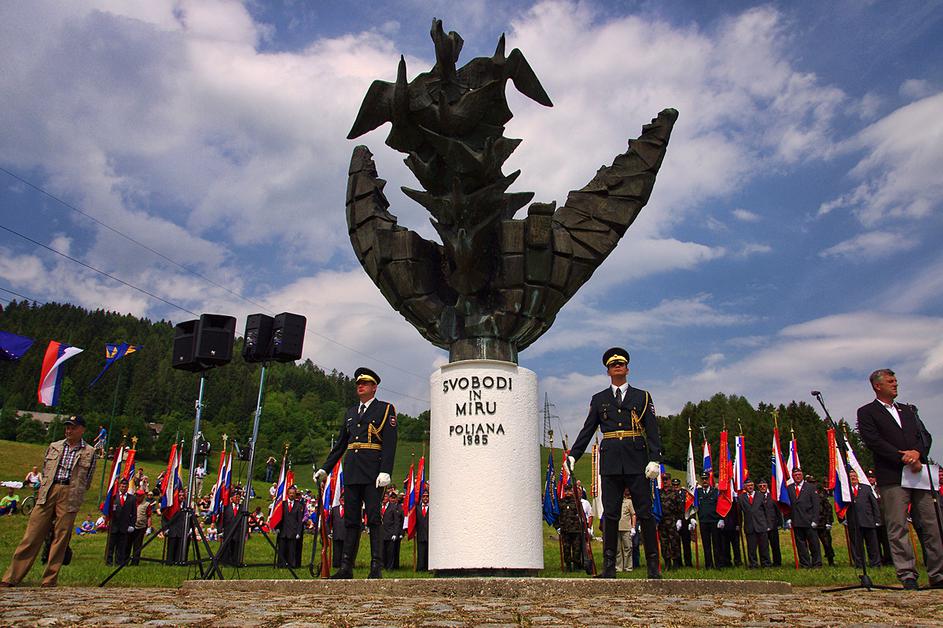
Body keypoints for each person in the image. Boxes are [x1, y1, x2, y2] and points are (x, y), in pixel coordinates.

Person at [567, 347, 663, 579]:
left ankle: (653, 566)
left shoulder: (642, 397)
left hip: (636, 459)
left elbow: (652, 429)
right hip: (610, 461)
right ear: (608, 371)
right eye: (613, 365)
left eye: (621, 364)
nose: (617, 367)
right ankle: (609, 567)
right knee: (610, 514)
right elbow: (588, 429)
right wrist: (574, 455)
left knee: (645, 512)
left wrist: (655, 459)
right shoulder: (599, 399)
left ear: (627, 369)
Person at [856, 368, 943, 589]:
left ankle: (938, 573)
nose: (895, 384)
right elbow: (873, 441)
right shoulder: (867, 412)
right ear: (877, 385)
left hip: (919, 473)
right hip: (893, 474)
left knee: (932, 523)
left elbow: (925, 436)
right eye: (890, 381)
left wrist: (917, 453)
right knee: (898, 526)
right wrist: (903, 457)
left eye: (895, 380)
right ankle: (907, 575)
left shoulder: (909, 410)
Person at [315, 367, 398, 579]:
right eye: (358, 384)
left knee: (374, 519)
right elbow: (341, 444)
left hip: (373, 472)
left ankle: (376, 566)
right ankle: (346, 567)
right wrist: (326, 468)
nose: (360, 386)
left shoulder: (385, 409)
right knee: (351, 520)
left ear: (374, 387)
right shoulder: (351, 412)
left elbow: (390, 443)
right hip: (352, 471)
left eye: (365, 383)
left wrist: (385, 471)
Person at [1, 415, 98, 587]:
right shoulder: (55, 446)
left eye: (73, 427)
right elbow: (45, 470)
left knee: (61, 537)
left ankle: (49, 579)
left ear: (82, 430)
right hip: (49, 490)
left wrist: (77, 493)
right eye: (67, 427)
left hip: (70, 493)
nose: (69, 430)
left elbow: (88, 479)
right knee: (32, 533)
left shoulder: (89, 452)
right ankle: (11, 577)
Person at [846, 470, 882, 568]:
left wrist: (877, 519)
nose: (853, 478)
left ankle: (875, 563)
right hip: (854, 521)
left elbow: (874, 504)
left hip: (868, 520)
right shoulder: (845, 490)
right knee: (857, 545)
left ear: (858, 477)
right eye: (851, 476)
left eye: (854, 476)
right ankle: (859, 564)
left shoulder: (866, 488)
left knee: (872, 544)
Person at [786, 468, 821, 568]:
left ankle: (817, 563)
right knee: (801, 545)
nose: (797, 476)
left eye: (799, 474)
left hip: (809, 521)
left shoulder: (810, 487)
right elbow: (787, 505)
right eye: (795, 475)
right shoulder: (789, 488)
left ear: (802, 475)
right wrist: (788, 518)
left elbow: (816, 505)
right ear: (793, 476)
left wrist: (815, 520)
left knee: (814, 544)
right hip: (797, 521)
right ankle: (805, 564)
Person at [738, 479, 771, 568]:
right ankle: (753, 564)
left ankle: (766, 563)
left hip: (761, 525)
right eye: (748, 485)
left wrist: (768, 524)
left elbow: (766, 511)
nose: (750, 487)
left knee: (764, 547)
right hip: (749, 526)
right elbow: (739, 513)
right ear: (745, 487)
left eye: (752, 485)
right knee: (751, 547)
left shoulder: (760, 495)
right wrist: (739, 525)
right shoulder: (741, 498)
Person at [105, 478, 136, 566]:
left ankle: (119, 562)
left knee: (121, 546)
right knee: (111, 546)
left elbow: (134, 513)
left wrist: (132, 525)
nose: (123, 487)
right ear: (119, 486)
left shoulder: (132, 498)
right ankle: (109, 562)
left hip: (124, 526)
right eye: (122, 486)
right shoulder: (114, 497)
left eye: (125, 486)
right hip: (113, 525)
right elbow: (108, 510)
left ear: (127, 487)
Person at [695, 473, 722, 569]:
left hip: (714, 521)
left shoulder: (715, 492)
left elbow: (720, 506)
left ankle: (718, 564)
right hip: (703, 521)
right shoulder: (698, 492)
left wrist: (721, 519)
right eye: (703, 479)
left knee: (716, 544)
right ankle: (708, 565)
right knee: (706, 545)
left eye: (706, 479)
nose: (704, 481)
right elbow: (694, 505)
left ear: (709, 480)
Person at [276, 486, 304, 568]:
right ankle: (281, 564)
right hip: (283, 530)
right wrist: (277, 527)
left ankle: (291, 565)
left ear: (295, 495)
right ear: (287, 494)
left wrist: (298, 532)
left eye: (293, 493)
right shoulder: (282, 504)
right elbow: (278, 517)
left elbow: (300, 521)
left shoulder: (299, 505)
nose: (291, 495)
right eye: (290, 493)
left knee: (292, 550)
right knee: (282, 549)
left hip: (293, 531)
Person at [557, 485, 583, 572]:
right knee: (566, 549)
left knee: (577, 549)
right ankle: (568, 566)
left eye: (569, 491)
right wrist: (558, 527)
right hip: (565, 530)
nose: (568, 493)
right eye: (566, 491)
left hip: (575, 529)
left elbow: (581, 515)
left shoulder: (577, 502)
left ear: (572, 491)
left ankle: (576, 565)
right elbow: (558, 515)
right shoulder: (561, 502)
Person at [659, 478, 683, 570]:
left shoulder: (675, 493)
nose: (665, 482)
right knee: (664, 543)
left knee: (674, 542)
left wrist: (679, 519)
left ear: (669, 481)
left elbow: (680, 507)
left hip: (672, 520)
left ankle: (676, 562)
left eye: (667, 480)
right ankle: (667, 562)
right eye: (663, 480)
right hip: (662, 521)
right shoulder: (659, 493)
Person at [757, 479, 783, 566]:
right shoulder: (756, 497)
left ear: (767, 486)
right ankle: (765, 562)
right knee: (763, 546)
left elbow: (778, 511)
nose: (762, 487)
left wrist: (780, 523)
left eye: (764, 485)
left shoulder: (772, 497)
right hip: (762, 525)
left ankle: (777, 562)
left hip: (773, 525)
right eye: (760, 486)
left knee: (775, 545)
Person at [812, 478, 835, 566]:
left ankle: (831, 560)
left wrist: (829, 522)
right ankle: (816, 561)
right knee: (813, 545)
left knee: (827, 543)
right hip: (812, 523)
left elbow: (828, 509)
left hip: (823, 523)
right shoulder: (808, 497)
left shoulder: (822, 497)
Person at [220, 490, 246, 566]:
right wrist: (220, 529)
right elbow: (222, 519)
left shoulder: (242, 508)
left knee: (236, 547)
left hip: (237, 531)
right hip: (228, 530)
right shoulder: (226, 507)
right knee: (226, 546)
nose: (238, 499)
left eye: (239, 497)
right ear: (232, 498)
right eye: (236, 497)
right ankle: (225, 561)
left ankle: (235, 561)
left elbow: (244, 521)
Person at [381, 491, 404, 570]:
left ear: (388, 498)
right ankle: (382, 566)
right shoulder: (379, 506)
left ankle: (390, 567)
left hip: (390, 532)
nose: (384, 498)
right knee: (382, 551)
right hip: (381, 532)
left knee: (390, 552)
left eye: (385, 497)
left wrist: (395, 533)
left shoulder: (393, 507)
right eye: (383, 497)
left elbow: (396, 521)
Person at [129, 490, 151, 566]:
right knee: (128, 544)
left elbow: (149, 516)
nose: (138, 497)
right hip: (131, 527)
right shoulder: (132, 503)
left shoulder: (147, 504)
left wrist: (149, 527)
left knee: (137, 546)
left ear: (143, 496)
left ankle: (135, 562)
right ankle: (125, 560)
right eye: (137, 495)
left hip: (141, 527)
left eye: (139, 496)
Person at [616, 489, 635, 572]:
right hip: (616, 527)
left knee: (628, 548)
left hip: (626, 528)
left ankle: (628, 567)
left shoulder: (629, 502)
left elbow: (633, 514)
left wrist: (633, 527)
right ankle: (618, 567)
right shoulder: (615, 501)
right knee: (617, 549)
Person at [330, 494, 346, 569]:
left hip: (346, 534)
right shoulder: (334, 509)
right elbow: (330, 521)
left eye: (345, 499)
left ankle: (344, 565)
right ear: (339, 500)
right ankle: (336, 564)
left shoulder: (350, 509)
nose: (343, 500)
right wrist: (329, 531)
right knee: (336, 550)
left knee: (345, 551)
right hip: (336, 533)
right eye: (342, 499)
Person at [416, 491, 430, 571]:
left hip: (429, 534)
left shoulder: (432, 508)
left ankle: (428, 567)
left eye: (427, 496)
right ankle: (420, 568)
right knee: (421, 551)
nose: (425, 498)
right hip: (420, 533)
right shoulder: (417, 508)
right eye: (424, 496)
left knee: (428, 552)